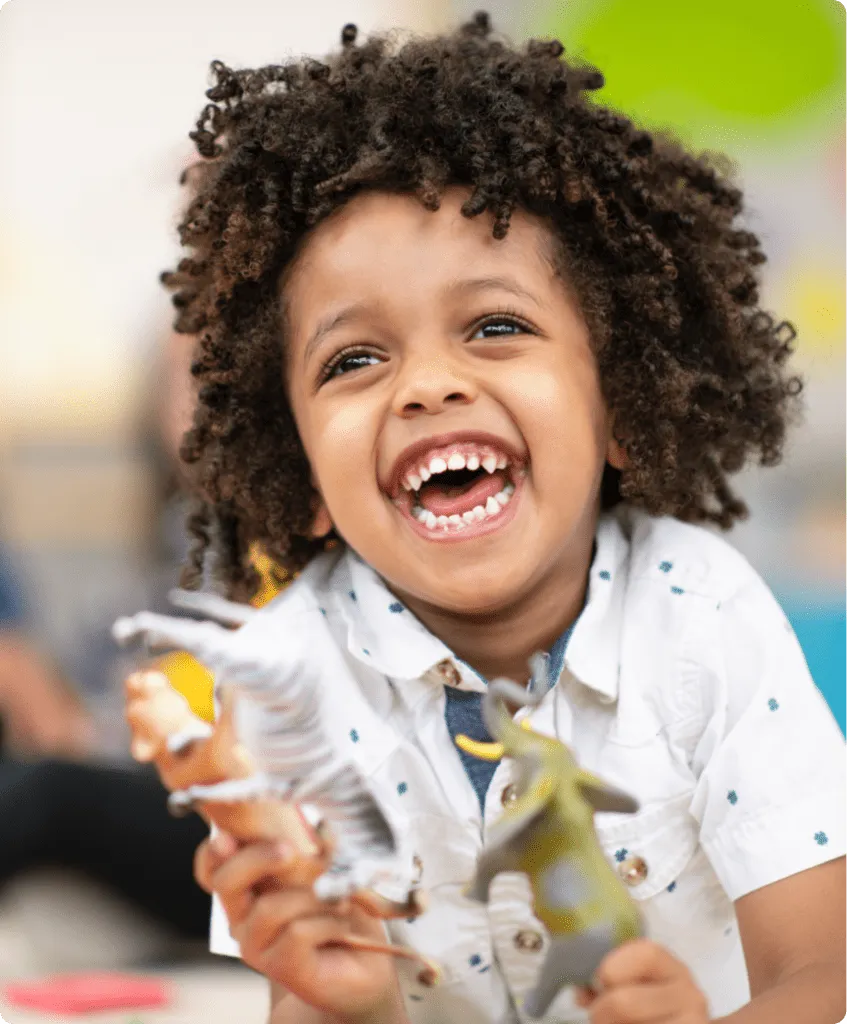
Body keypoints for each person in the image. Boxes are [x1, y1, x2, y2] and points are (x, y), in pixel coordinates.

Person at [147, 12, 846, 1024]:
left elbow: (825, 975)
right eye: (353, 359)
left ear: (623, 408)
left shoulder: (703, 613)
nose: (428, 384)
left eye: (496, 326)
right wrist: (355, 1004)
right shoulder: (285, 684)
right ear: (296, 471)